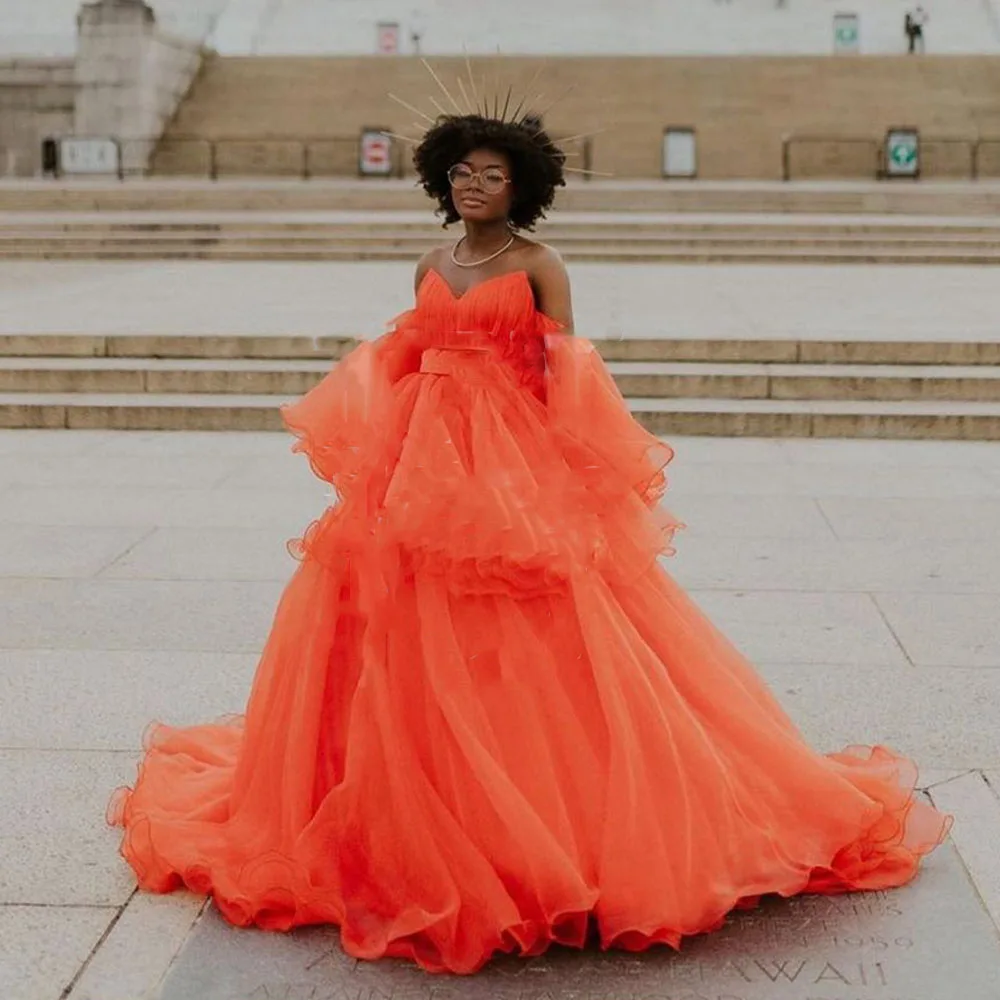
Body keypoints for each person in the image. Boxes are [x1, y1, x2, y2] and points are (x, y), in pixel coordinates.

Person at [107, 109, 951, 976]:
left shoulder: (539, 265)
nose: (474, 185)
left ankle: (541, 821)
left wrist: (565, 477)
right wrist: (379, 456)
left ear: (522, 188)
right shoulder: (432, 263)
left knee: (528, 626)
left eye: (492, 175)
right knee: (406, 623)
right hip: (424, 463)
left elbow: (564, 373)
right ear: (443, 180)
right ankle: (417, 803)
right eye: (462, 173)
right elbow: (406, 357)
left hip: (508, 468)